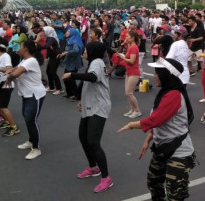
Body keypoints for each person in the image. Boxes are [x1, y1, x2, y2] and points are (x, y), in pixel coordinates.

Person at [118, 58, 195, 201]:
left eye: (157, 73)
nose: (154, 76)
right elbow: (161, 121)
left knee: (175, 194)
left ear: (167, 75)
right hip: (162, 148)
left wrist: (131, 125)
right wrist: (148, 140)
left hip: (178, 151)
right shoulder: (165, 93)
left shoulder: (173, 95)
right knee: (154, 182)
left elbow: (156, 119)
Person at [63, 41, 113, 193]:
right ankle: (93, 168)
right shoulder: (93, 62)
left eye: (85, 50)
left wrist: (71, 74)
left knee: (93, 141)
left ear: (92, 52)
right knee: (83, 137)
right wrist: (81, 100)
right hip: (90, 104)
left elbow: (91, 78)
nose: (83, 52)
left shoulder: (97, 62)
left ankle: (106, 178)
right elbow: (85, 83)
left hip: (99, 106)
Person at [6, 41, 46, 160]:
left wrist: (10, 75)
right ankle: (31, 140)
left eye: (21, 46)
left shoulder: (31, 61)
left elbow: (15, 73)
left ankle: (36, 148)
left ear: (26, 49)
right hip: (27, 94)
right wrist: (7, 71)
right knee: (27, 118)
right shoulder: (24, 61)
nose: (19, 48)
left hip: (35, 95)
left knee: (31, 120)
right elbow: (13, 69)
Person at [0, 37, 19, 136]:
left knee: (3, 107)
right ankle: (6, 122)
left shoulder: (5, 56)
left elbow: (8, 69)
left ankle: (14, 127)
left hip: (6, 84)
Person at [118, 31, 142, 118]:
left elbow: (131, 61)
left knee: (129, 93)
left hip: (134, 73)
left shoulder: (134, 48)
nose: (126, 38)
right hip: (128, 72)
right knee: (127, 93)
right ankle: (132, 109)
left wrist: (122, 57)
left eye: (127, 37)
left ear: (132, 38)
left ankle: (137, 110)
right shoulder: (130, 46)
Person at [57, 27, 83, 100]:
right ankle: (69, 93)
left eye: (68, 31)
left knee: (71, 79)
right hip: (69, 63)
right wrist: (63, 53)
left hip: (74, 63)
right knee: (66, 78)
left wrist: (66, 52)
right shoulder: (69, 40)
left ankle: (76, 94)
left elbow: (76, 50)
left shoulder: (75, 42)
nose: (66, 33)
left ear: (72, 33)